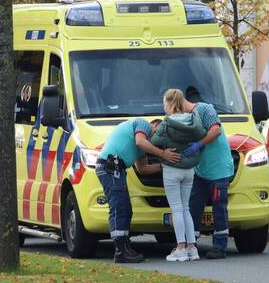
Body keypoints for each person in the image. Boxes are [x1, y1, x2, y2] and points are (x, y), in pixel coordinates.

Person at [97, 119, 179, 264]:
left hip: (116, 168)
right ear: (153, 125)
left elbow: (143, 169)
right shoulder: (143, 125)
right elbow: (140, 142)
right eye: (158, 131)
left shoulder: (144, 145)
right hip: (111, 166)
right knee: (119, 208)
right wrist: (163, 154)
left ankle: (124, 247)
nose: (158, 136)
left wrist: (164, 165)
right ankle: (120, 251)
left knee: (126, 209)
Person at [150, 89, 206, 262]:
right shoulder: (192, 120)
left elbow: (154, 142)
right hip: (189, 170)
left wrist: (164, 150)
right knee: (186, 207)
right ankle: (192, 248)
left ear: (168, 103)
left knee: (176, 208)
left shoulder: (167, 124)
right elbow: (202, 134)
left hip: (172, 169)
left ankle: (180, 247)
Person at [184, 90, 235, 259]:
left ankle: (220, 247)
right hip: (202, 171)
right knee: (194, 207)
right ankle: (191, 245)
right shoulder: (187, 118)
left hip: (218, 171)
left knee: (218, 208)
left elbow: (215, 131)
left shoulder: (206, 110)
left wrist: (198, 144)